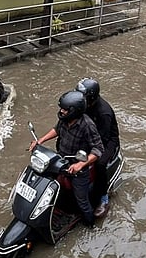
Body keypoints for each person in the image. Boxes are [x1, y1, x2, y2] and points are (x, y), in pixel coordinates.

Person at [29, 91, 103, 226]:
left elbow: (98, 149)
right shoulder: (64, 119)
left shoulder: (87, 125)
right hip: (61, 161)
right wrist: (40, 141)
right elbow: (56, 130)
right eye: (61, 108)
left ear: (74, 111)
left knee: (82, 201)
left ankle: (90, 223)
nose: (61, 111)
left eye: (65, 109)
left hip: (78, 169)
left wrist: (81, 164)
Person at [76, 78, 120, 218]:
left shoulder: (103, 112)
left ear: (92, 98)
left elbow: (102, 139)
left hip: (107, 142)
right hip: (90, 135)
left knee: (100, 163)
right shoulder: (83, 106)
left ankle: (103, 197)